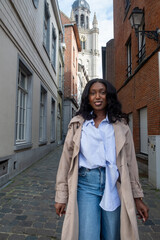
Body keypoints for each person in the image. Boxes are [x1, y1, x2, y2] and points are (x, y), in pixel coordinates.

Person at [55, 78, 149, 240]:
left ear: (109, 96)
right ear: (88, 98)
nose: (97, 96)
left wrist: (137, 197)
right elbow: (66, 161)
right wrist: (61, 197)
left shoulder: (121, 125)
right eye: (93, 93)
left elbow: (130, 162)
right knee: (88, 235)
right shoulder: (78, 125)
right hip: (85, 184)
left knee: (112, 235)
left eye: (102, 92)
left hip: (114, 184)